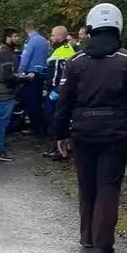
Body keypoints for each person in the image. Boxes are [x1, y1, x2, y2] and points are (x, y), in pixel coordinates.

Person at [54, 3, 127, 253]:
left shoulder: (75, 61)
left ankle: (87, 236)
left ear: (89, 28)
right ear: (118, 26)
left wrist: (60, 134)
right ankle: (104, 244)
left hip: (82, 132)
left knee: (86, 183)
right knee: (109, 186)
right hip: (116, 134)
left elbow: (63, 102)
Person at [42, 26, 77, 159]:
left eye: (52, 35)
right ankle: (61, 148)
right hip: (61, 90)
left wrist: (54, 90)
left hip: (58, 91)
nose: (51, 38)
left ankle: (58, 149)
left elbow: (60, 75)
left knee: (54, 120)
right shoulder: (64, 49)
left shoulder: (62, 52)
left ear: (59, 36)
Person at [0, 27, 23, 161]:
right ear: (7, 38)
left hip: (0, 89)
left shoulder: (1, 51)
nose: (17, 39)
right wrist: (24, 78)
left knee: (0, 120)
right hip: (5, 92)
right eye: (15, 36)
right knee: (2, 121)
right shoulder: (5, 53)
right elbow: (8, 76)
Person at [18, 21, 50, 135]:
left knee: (29, 102)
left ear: (27, 29)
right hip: (41, 75)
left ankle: (35, 128)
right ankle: (41, 127)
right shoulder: (44, 41)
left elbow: (25, 57)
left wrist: (20, 72)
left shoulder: (30, 41)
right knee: (38, 101)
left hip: (30, 75)